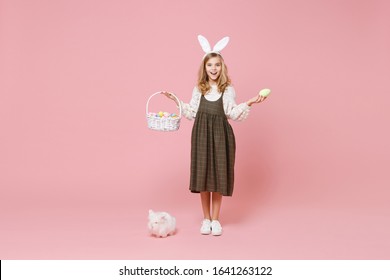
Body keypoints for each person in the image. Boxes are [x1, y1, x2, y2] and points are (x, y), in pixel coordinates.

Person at [162, 35, 267, 236]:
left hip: (221, 137)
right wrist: (175, 99)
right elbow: (192, 111)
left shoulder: (227, 89)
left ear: (222, 67)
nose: (213, 69)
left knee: (218, 177)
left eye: (217, 65)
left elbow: (233, 113)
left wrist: (251, 102)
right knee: (203, 177)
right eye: (210, 65)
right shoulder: (198, 89)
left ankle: (216, 220)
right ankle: (206, 219)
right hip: (201, 135)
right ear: (204, 67)